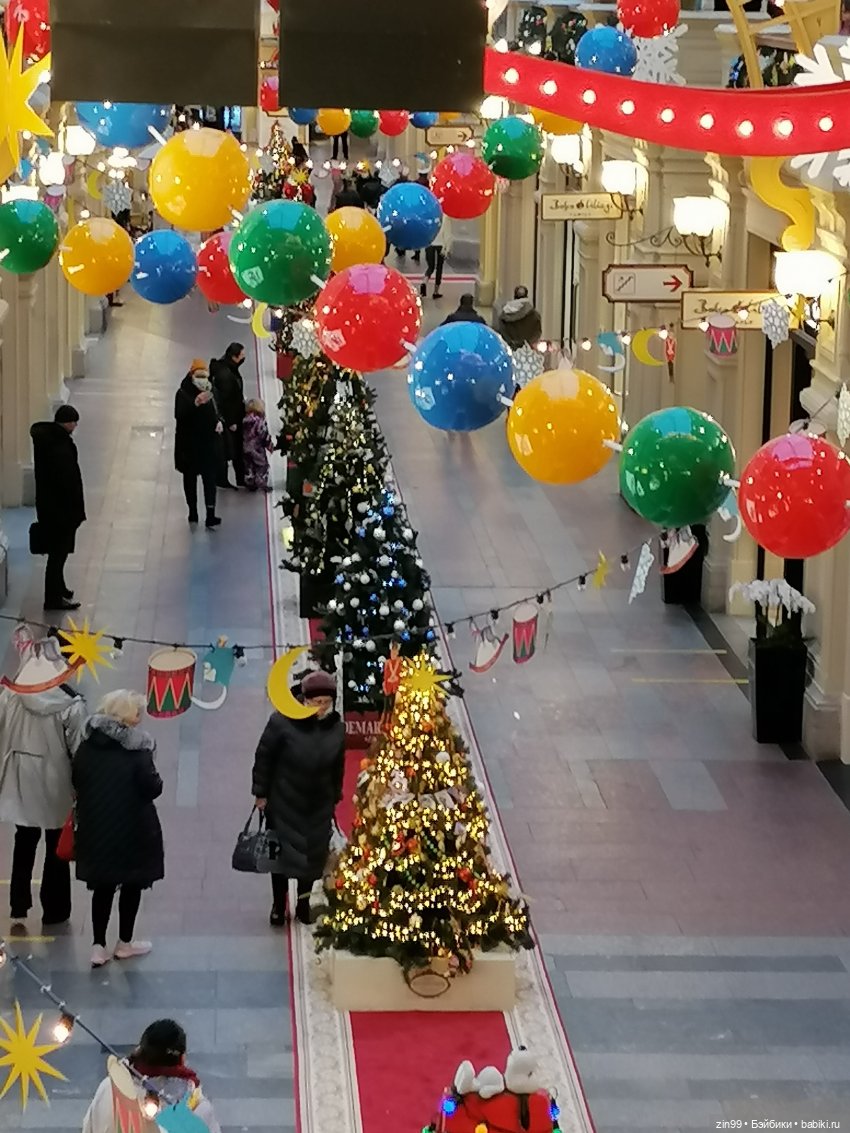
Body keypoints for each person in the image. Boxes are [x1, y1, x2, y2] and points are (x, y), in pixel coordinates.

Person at [0, 629, 85, 928]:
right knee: (55, 843)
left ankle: (19, 903)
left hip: (20, 772)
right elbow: (78, 747)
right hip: (54, 778)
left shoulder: (12, 693)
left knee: (24, 839)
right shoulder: (71, 704)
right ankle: (55, 908)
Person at [73, 689, 163, 968]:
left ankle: (97, 946)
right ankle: (124, 943)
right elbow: (153, 788)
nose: (140, 718)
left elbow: (76, 778)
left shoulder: (87, 745)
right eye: (138, 713)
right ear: (127, 716)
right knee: (132, 884)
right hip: (133, 828)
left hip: (96, 825)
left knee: (103, 886)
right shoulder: (139, 750)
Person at [251, 669, 345, 927]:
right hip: (283, 802)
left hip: (318, 804)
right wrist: (261, 792)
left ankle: (303, 905)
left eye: (327, 702)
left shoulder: (336, 729)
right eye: (317, 702)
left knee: (312, 861)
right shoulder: (281, 722)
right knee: (280, 859)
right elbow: (264, 757)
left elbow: (338, 765)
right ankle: (278, 906)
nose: (322, 707)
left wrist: (335, 794)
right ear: (304, 699)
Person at [82, 1019, 221, 1133]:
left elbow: (89, 1128)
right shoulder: (196, 1108)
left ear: (140, 1049)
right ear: (182, 1059)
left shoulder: (109, 1089)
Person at [31, 404, 85, 612]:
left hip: (53, 510)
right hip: (60, 512)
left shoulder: (52, 442)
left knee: (59, 553)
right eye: (73, 421)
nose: (75, 425)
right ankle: (52, 598)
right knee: (57, 555)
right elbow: (67, 482)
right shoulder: (59, 447)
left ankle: (59, 588)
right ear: (66, 422)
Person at [175, 362, 223, 529]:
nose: (202, 380)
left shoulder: (212, 391)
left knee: (210, 480)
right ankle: (193, 511)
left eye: (205, 376)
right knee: (190, 480)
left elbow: (217, 410)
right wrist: (194, 404)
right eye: (199, 376)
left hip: (209, 444)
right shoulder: (183, 393)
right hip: (189, 446)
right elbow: (179, 415)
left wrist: (219, 422)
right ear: (191, 375)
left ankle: (211, 513)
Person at [210, 342, 246, 489]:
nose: (244, 357)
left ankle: (230, 478)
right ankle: (234, 478)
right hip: (230, 418)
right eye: (242, 355)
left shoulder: (225, 368)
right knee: (233, 448)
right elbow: (227, 400)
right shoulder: (226, 376)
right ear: (234, 357)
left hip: (229, 416)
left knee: (226, 448)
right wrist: (231, 421)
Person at [242, 398, 274, 492]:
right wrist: (269, 444)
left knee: (249, 465)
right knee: (262, 465)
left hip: (246, 447)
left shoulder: (246, 420)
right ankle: (261, 483)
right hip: (257, 448)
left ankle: (250, 483)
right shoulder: (259, 420)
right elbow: (263, 433)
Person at [420, 214, 453, 299]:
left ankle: (424, 282)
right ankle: (436, 291)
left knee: (430, 267)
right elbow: (448, 234)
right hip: (440, 245)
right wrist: (447, 249)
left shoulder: (429, 215)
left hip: (430, 244)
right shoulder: (445, 217)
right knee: (439, 268)